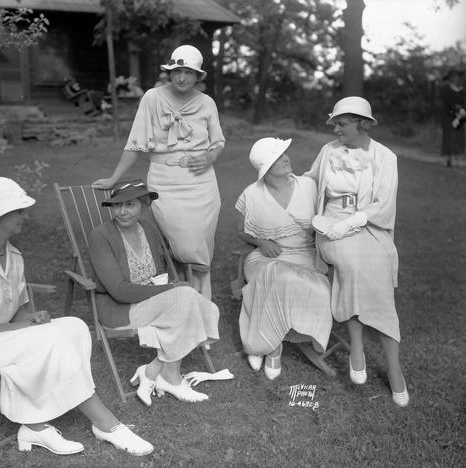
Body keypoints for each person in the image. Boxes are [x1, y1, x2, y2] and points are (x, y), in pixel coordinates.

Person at [0, 177, 154, 457]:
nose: (25, 215)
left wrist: (30, 318)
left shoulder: (13, 256)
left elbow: (18, 312)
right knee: (45, 341)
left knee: (73, 327)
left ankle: (35, 426)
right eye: (18, 210)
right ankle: (105, 423)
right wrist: (19, 329)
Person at [92, 44, 226, 299]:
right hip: (166, 183)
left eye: (189, 72)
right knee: (187, 247)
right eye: (177, 71)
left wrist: (209, 158)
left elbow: (218, 142)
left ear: (198, 75)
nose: (182, 77)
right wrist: (113, 178)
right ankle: (185, 292)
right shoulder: (153, 98)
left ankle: (199, 299)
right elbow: (135, 143)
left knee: (202, 244)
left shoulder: (207, 103)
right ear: (169, 72)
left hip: (202, 184)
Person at [304, 96, 409, 407]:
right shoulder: (328, 151)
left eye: (342, 123)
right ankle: (358, 348)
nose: (335, 128)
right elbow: (310, 182)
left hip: (368, 227)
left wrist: (351, 223)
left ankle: (394, 366)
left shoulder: (385, 157)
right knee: (352, 264)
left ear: (362, 124)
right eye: (335, 122)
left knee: (374, 264)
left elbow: (383, 204)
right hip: (329, 227)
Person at [88, 178, 220, 406]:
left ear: (144, 205)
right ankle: (169, 376)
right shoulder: (100, 236)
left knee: (200, 305)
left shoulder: (147, 229)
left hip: (150, 300)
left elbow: (158, 273)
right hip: (119, 308)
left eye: (130, 205)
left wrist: (165, 288)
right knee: (187, 298)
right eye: (117, 205)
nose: (122, 211)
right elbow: (119, 291)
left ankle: (154, 369)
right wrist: (168, 289)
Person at [235, 138, 333, 380]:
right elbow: (242, 230)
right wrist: (261, 242)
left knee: (301, 282)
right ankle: (274, 348)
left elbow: (331, 218)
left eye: (285, 153)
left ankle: (265, 342)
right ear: (266, 168)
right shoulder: (252, 194)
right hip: (267, 257)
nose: (286, 158)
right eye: (278, 157)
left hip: (306, 255)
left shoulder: (309, 186)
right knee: (275, 273)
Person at [439, 69, 466, 167]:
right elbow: (447, 104)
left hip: (460, 117)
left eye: (457, 76)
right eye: (454, 76)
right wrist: (457, 110)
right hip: (448, 116)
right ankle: (448, 159)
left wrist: (462, 112)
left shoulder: (461, 90)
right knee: (449, 137)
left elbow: (463, 103)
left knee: (459, 137)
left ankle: (458, 159)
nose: (456, 78)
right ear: (450, 77)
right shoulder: (445, 89)